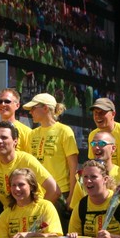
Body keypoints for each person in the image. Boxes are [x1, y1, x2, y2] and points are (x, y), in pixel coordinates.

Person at [0, 121, 59, 238]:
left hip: (34, 217)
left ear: (15, 141)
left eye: (4, 137)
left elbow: (54, 190)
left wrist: (38, 219)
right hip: (10, 217)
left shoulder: (27, 160)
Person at [23, 92, 79, 229]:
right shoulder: (32, 134)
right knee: (38, 236)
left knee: (58, 234)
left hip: (60, 194)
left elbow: (73, 167)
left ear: (45, 108)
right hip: (38, 195)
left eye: (33, 108)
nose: (30, 112)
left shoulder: (64, 131)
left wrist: (72, 195)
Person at [71, 131, 120, 217]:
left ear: (113, 148)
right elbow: (75, 211)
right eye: (94, 144)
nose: (96, 147)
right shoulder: (84, 178)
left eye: (101, 144)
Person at [67, 160, 120, 238]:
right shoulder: (81, 206)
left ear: (105, 179)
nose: (88, 181)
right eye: (85, 177)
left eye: (93, 177)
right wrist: (72, 237)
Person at [0, 168, 64, 238]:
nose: (17, 189)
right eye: (13, 185)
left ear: (31, 186)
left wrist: (32, 235)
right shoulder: (5, 215)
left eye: (21, 185)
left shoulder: (45, 207)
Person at [87, 98, 120, 170]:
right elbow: (93, 160)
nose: (98, 116)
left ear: (113, 114)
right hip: (102, 176)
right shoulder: (93, 135)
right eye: (95, 113)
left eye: (102, 113)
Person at [0, 88, 31, 155]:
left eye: (7, 101)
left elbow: (31, 159)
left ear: (17, 105)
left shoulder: (27, 133)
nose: (2, 104)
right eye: (0, 102)